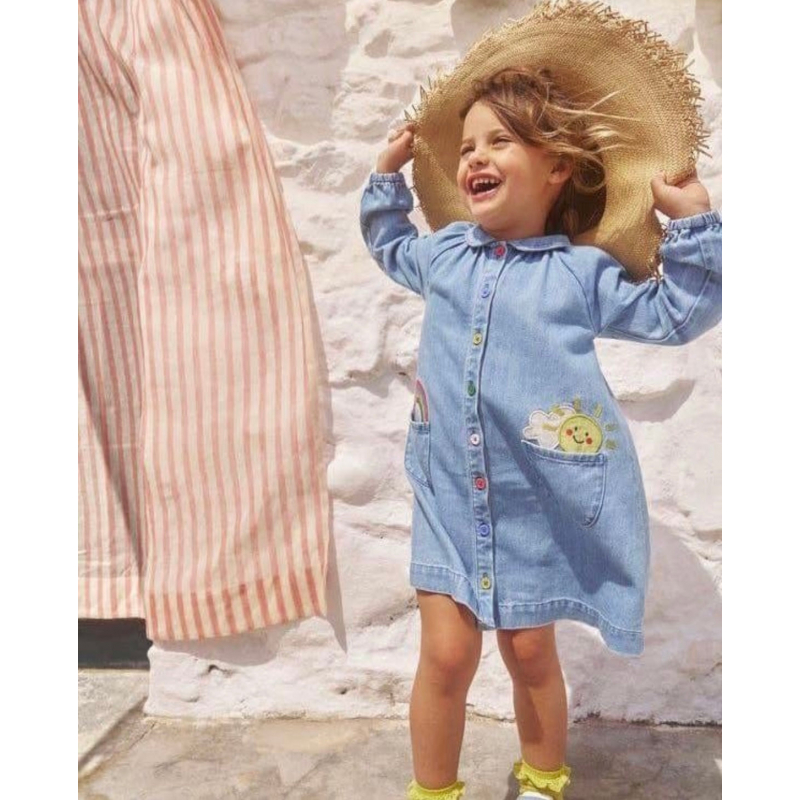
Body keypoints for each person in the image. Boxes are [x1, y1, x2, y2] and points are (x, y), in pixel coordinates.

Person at [359, 10, 721, 800]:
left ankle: (544, 778)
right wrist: (385, 179)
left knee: (528, 652)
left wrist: (694, 223)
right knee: (445, 655)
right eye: (467, 147)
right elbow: (390, 246)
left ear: (558, 167)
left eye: (500, 141)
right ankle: (433, 791)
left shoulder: (580, 276)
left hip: (535, 505)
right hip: (448, 497)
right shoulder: (444, 255)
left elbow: (676, 315)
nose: (475, 157)